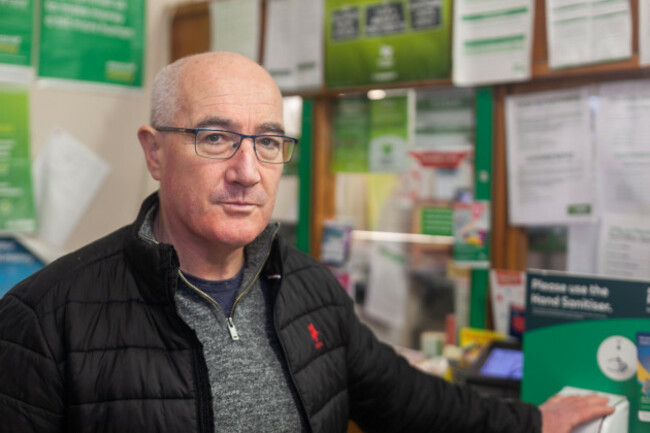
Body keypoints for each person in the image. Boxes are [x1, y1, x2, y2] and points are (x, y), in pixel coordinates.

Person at [0, 52, 613, 433]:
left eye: (267, 142)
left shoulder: (308, 287)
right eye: (215, 138)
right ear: (155, 152)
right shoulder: (43, 319)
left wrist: (534, 421)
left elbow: (409, 402)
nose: (248, 171)